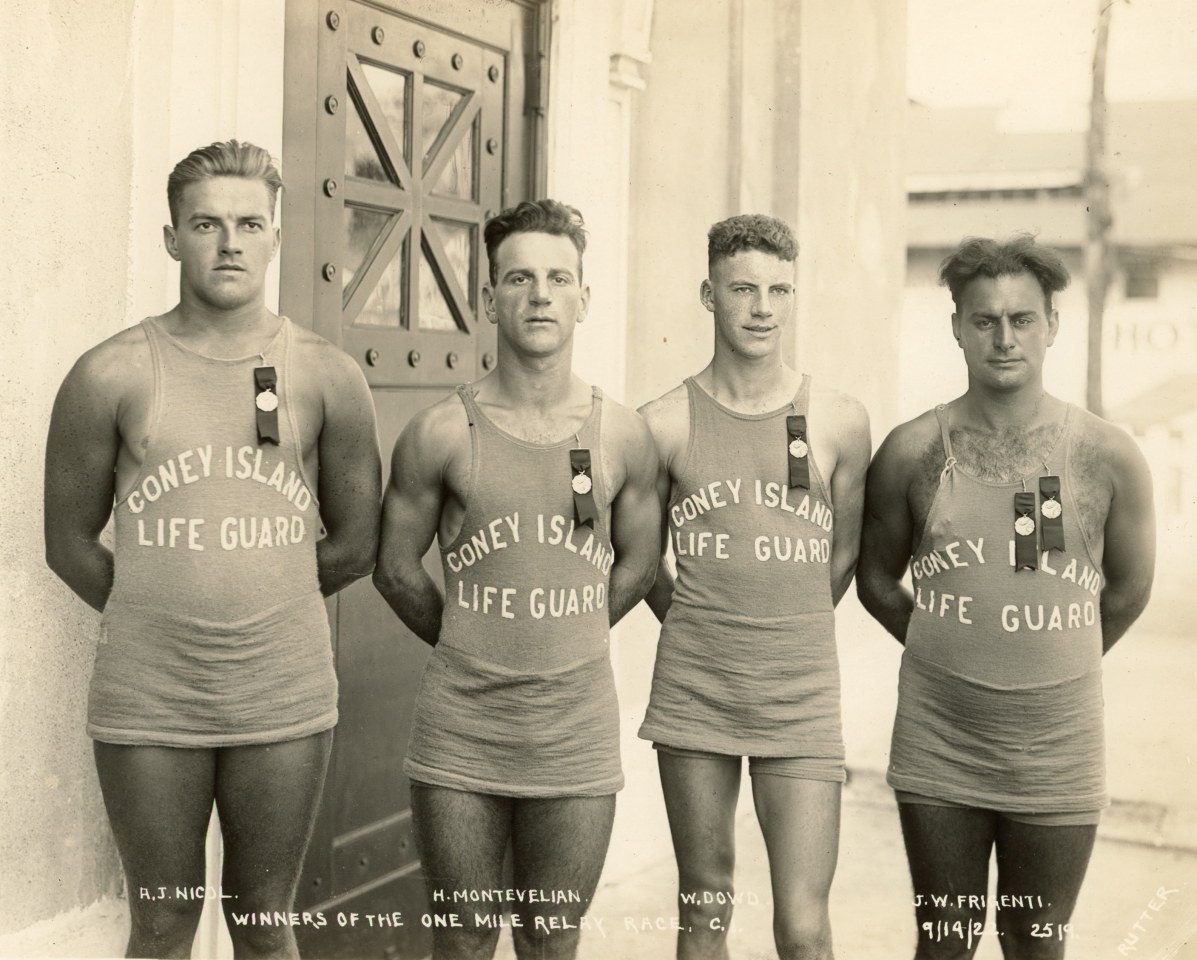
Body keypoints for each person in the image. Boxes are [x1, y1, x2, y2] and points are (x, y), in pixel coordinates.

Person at [44, 140, 381, 959]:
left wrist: (268, 603)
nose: (228, 242)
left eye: (247, 224)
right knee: (160, 924)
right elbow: (67, 544)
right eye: (205, 224)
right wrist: (157, 609)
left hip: (282, 690)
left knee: (265, 922)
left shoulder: (326, 375)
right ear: (171, 238)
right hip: (149, 696)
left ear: (272, 237)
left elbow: (357, 541)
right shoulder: (110, 373)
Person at [372, 199, 660, 960]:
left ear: (583, 299)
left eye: (558, 278)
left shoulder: (620, 432)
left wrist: (570, 630)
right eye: (519, 278)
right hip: (462, 729)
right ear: (486, 297)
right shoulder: (440, 431)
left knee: (549, 935)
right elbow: (394, 567)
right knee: (464, 941)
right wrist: (469, 639)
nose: (539, 295)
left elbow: (638, 561)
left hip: (575, 731)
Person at [856, 234, 1155, 959]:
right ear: (955, 326)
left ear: (1052, 324)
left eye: (1022, 319)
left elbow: (1126, 591)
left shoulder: (1106, 454)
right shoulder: (909, 450)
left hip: (1058, 748)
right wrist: (949, 646)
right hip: (940, 742)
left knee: (1034, 940)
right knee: (945, 940)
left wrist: (1049, 657)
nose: (1003, 337)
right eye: (983, 319)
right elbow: (874, 580)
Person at [637, 214, 872, 960]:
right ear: (710, 295)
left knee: (803, 928)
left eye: (777, 290)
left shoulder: (838, 418)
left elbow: (841, 559)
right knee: (703, 907)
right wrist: (705, 620)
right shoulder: (662, 422)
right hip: (695, 692)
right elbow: (641, 560)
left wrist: (782, 621)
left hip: (799, 694)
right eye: (743, 289)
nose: (762, 307)